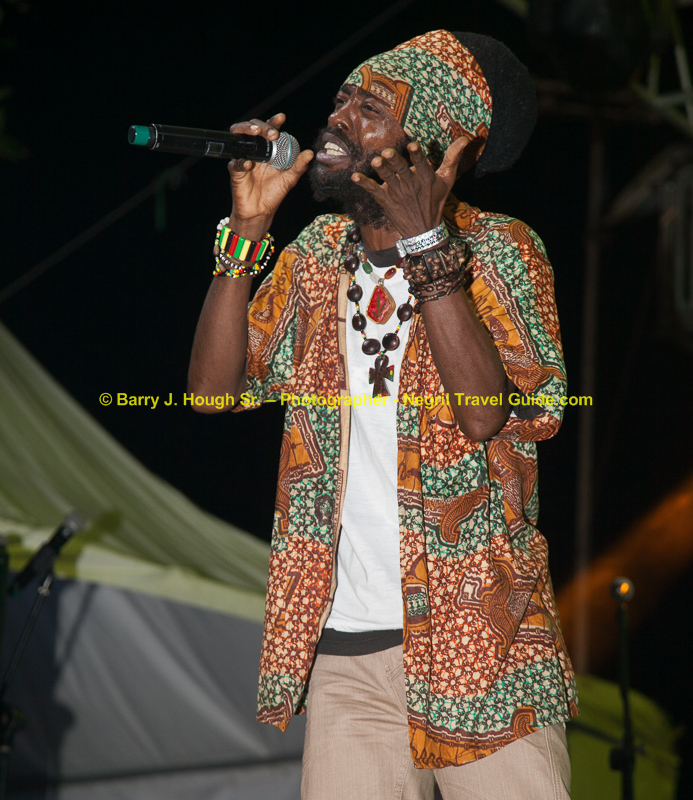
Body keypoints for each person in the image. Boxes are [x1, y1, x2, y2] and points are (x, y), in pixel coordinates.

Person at [189, 29, 578, 800]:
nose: (337, 119)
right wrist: (246, 235)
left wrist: (426, 241)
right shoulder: (317, 255)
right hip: (347, 654)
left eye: (370, 109)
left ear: (434, 144)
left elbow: (483, 416)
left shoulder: (499, 250)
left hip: (483, 645)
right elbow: (211, 392)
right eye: (342, 100)